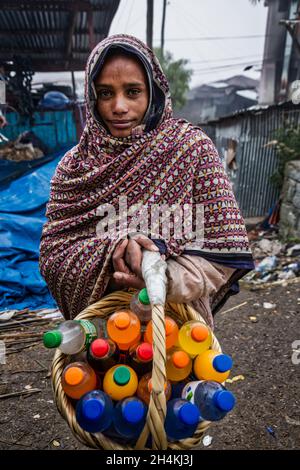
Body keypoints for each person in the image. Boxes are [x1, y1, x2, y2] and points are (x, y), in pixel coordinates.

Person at [39, 34, 254, 327]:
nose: (118, 106)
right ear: (91, 97)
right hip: (101, 334)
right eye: (105, 93)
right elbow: (54, 257)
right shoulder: (74, 167)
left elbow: (223, 252)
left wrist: (160, 276)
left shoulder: (190, 149)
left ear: (154, 92)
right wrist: (111, 248)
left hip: (177, 330)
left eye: (132, 91)